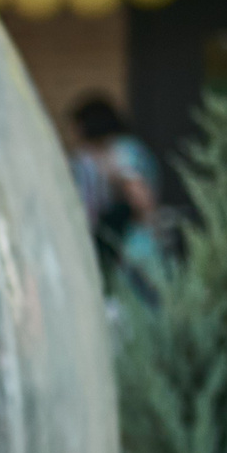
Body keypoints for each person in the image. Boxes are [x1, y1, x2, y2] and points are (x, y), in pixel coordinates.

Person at [68, 94, 167, 304]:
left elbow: (139, 196)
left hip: (137, 244)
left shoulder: (122, 151)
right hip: (136, 243)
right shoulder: (129, 148)